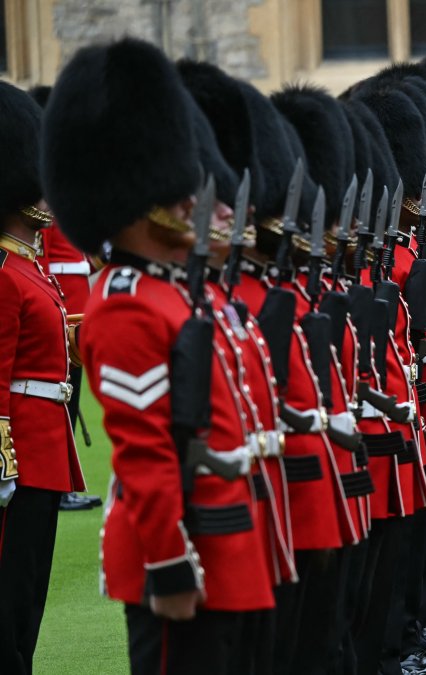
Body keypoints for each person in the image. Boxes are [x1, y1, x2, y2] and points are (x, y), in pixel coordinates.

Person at [44, 38, 276, 674]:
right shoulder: (125, 306)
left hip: (226, 536)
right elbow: (146, 450)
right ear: (136, 194)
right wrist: (169, 563)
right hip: (180, 551)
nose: (193, 202)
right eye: (178, 192)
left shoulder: (177, 295)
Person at [0, 80, 86, 675]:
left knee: (30, 596)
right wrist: (3, 458)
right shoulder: (6, 273)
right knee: (11, 598)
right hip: (20, 455)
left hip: (46, 449)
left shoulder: (29, 268)